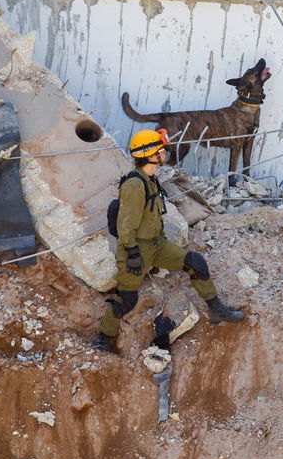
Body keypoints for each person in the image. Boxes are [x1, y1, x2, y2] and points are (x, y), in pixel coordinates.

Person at [92, 129, 244, 353]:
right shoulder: (134, 185)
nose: (165, 153)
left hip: (156, 244)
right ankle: (103, 338)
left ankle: (216, 309)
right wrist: (132, 253)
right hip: (137, 249)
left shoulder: (150, 179)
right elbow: (126, 224)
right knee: (126, 299)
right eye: (161, 149)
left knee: (195, 262)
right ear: (150, 154)